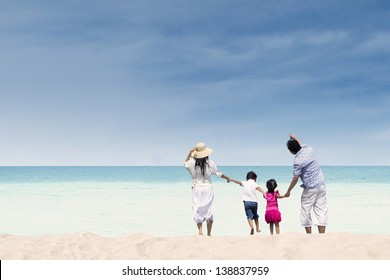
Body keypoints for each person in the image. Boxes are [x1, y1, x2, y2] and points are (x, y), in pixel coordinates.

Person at [184, 142, 230, 236]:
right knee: (208, 210)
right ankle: (209, 234)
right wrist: (227, 178)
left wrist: (189, 152)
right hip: (208, 188)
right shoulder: (210, 162)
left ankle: (200, 231)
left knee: (197, 209)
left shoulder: (192, 162)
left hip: (197, 188)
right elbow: (218, 173)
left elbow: (185, 163)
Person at [285, 133, 328, 234]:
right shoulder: (309, 149)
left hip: (310, 189)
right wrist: (294, 137)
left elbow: (295, 177)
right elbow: (301, 144)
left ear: (291, 151)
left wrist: (288, 191)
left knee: (305, 211)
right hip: (321, 185)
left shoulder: (297, 161)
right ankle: (321, 236)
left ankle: (309, 235)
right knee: (321, 210)